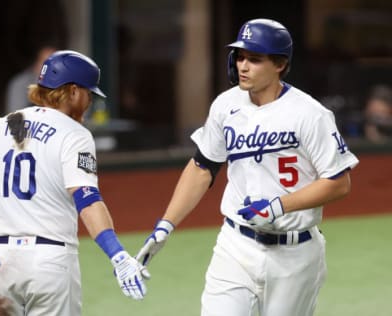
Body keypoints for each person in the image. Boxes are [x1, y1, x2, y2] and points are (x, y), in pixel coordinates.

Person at [136, 18, 359, 316]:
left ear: (279, 64)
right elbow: (202, 167)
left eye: (254, 59)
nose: (243, 65)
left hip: (296, 254)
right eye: (240, 56)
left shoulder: (310, 114)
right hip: (236, 246)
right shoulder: (226, 106)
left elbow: (339, 182)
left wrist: (279, 206)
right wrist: (166, 224)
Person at [0, 50, 148, 315]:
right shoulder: (75, 135)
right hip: (49, 265)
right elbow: (86, 199)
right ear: (73, 91)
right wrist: (117, 255)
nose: (89, 102)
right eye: (89, 93)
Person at [4, 45, 56, 113]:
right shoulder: (20, 84)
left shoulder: (63, 83)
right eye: (47, 63)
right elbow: (16, 116)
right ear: (37, 64)